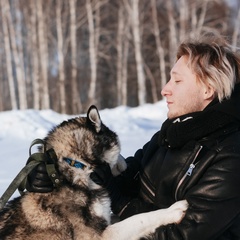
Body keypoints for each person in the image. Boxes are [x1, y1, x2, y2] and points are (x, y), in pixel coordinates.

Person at [27, 35, 240, 239]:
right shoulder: (171, 135)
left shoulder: (230, 155)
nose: (165, 89)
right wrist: (53, 178)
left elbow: (183, 234)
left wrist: (124, 206)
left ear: (207, 90)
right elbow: (125, 179)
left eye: (177, 81)